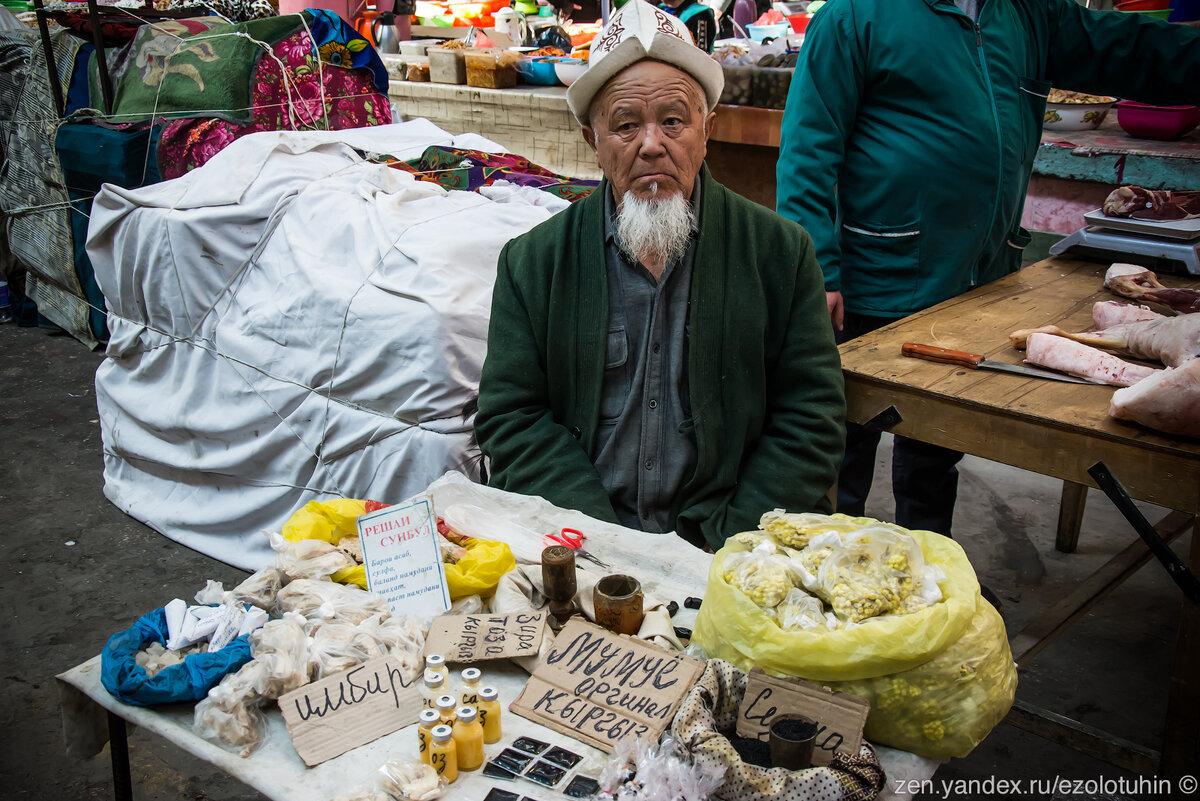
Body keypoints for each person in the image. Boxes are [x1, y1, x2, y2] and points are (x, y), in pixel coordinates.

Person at [776, 0, 1200, 537]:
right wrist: (817, 268)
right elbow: (807, 148)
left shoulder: (1026, 13)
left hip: (976, 281)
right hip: (875, 278)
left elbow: (1132, 48)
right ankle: (828, 572)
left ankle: (931, 568)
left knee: (938, 443)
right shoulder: (855, 15)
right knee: (843, 442)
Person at [475, 0, 845, 550]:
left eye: (673, 120)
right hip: (586, 546)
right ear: (592, 142)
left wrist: (733, 546)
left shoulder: (779, 253)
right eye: (626, 124)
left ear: (706, 130)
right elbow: (512, 416)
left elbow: (811, 417)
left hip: (729, 546)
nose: (653, 144)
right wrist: (601, 542)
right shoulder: (533, 264)